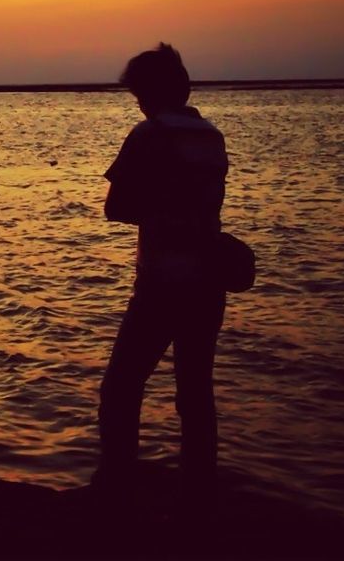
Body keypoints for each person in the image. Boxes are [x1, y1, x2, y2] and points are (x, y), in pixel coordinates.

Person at [96, 43, 229, 490]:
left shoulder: (147, 135)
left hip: (163, 279)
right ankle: (200, 486)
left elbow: (116, 207)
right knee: (195, 390)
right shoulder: (211, 135)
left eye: (137, 93)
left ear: (147, 93)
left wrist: (158, 209)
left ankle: (116, 481)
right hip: (210, 280)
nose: (138, 101)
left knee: (122, 385)